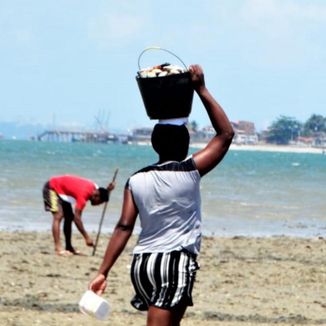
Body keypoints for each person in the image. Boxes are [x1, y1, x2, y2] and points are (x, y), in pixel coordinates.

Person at [88, 64, 234, 325]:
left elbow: (123, 227)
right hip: (174, 261)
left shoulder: (135, 180)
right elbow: (225, 134)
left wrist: (103, 271)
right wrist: (201, 89)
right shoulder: (189, 170)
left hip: (142, 264)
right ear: (186, 144)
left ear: (155, 144)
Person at [42, 175, 115, 256]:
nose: (98, 205)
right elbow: (77, 218)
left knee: (69, 217)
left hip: (62, 192)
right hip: (51, 187)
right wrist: (86, 237)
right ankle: (58, 248)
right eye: (99, 202)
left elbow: (102, 192)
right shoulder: (83, 196)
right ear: (96, 196)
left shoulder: (95, 188)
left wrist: (108, 190)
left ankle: (68, 247)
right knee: (58, 216)